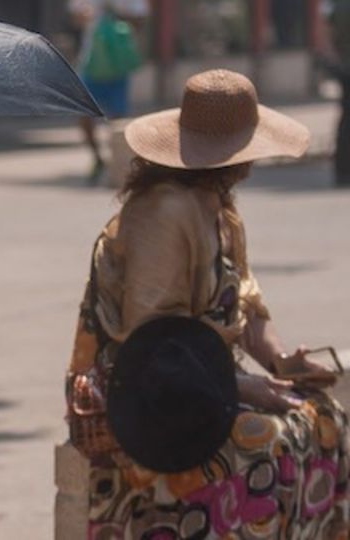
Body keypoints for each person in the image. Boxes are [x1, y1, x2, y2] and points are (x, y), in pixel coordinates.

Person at [65, 69, 349, 537]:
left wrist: (280, 361)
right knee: (271, 444)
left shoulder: (218, 207)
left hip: (205, 382)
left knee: (324, 418)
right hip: (146, 395)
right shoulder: (163, 211)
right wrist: (243, 386)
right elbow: (156, 337)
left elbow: (247, 302)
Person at [68, 0, 148, 185]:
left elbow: (141, 21)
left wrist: (116, 12)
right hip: (90, 66)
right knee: (84, 115)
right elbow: (75, 18)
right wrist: (86, 17)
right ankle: (98, 158)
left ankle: (119, 163)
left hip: (117, 69)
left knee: (118, 121)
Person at [319, 0, 350, 188]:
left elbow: (326, 33)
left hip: (344, 66)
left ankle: (343, 170)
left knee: (345, 120)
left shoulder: (337, 5)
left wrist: (332, 59)